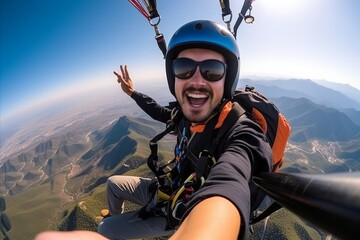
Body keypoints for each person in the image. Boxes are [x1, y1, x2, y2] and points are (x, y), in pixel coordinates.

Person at [35, 19, 272, 240]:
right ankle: (116, 216)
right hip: (167, 187)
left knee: (105, 229)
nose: (197, 81)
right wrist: (132, 93)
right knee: (113, 184)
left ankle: (117, 225)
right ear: (174, 78)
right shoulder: (184, 117)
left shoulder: (241, 133)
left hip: (180, 209)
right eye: (184, 68)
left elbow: (229, 185)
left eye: (212, 70)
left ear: (227, 79)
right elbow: (159, 112)